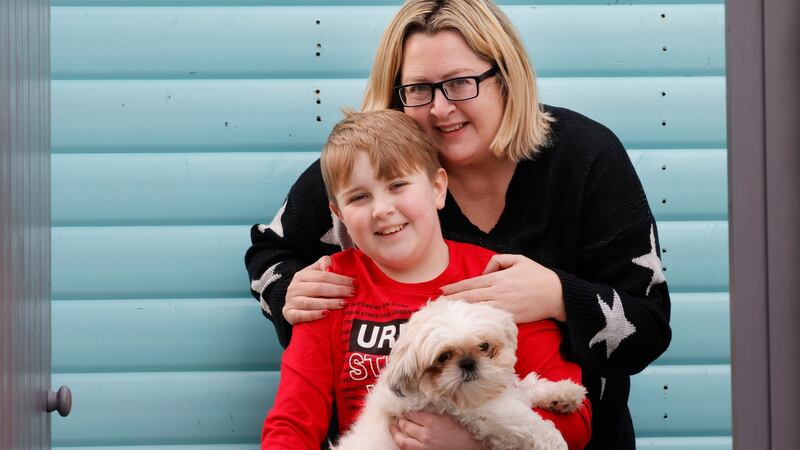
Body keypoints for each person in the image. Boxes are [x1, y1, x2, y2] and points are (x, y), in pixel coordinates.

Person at [245, 1, 671, 449]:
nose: (441, 108)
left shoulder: (585, 158)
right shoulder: (376, 165)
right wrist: (289, 290)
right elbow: (269, 252)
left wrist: (557, 296)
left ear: (505, 76)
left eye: (461, 83)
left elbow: (649, 325)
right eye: (419, 89)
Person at [261, 109, 591, 450]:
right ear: (339, 215)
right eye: (359, 197)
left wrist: (472, 445)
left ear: (437, 187)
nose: (381, 209)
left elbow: (575, 424)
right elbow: (293, 425)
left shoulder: (497, 277)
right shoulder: (329, 288)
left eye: (398, 185)